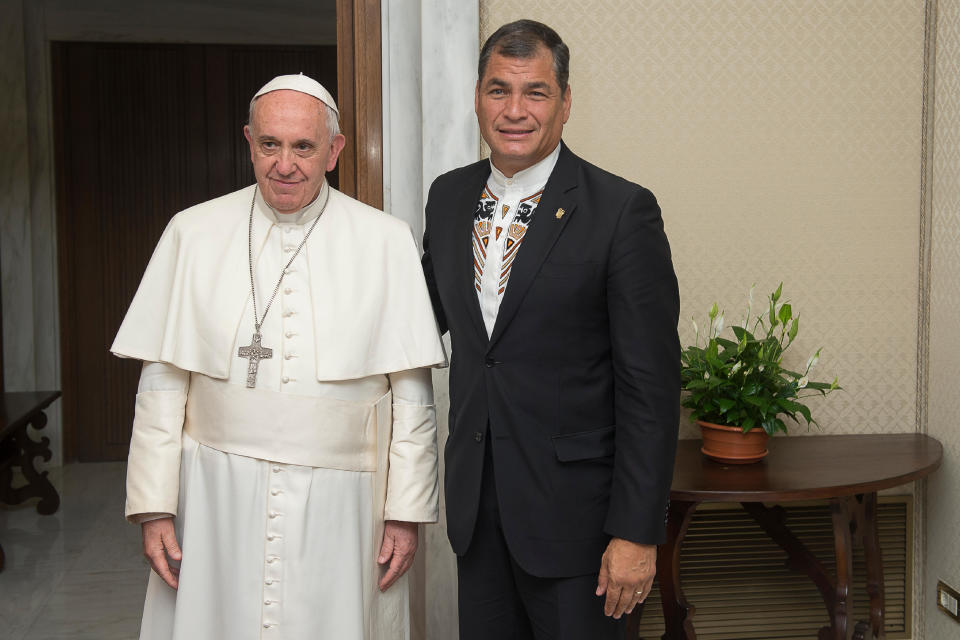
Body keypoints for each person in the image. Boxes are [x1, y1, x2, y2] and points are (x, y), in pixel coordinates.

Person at [112, 73, 446, 640]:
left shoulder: (385, 240)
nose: (284, 164)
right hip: (217, 494)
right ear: (249, 141)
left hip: (343, 503)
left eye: (303, 147)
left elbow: (412, 393)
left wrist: (405, 511)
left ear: (335, 151)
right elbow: (162, 383)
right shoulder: (191, 233)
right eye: (270, 145)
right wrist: (153, 506)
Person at [421, 20, 680, 639]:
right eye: (498, 90)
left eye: (535, 93)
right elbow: (423, 320)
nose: (515, 111)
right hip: (477, 518)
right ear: (477, 97)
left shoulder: (622, 211)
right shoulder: (448, 197)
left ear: (565, 103)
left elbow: (651, 388)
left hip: (581, 530)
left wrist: (636, 533)